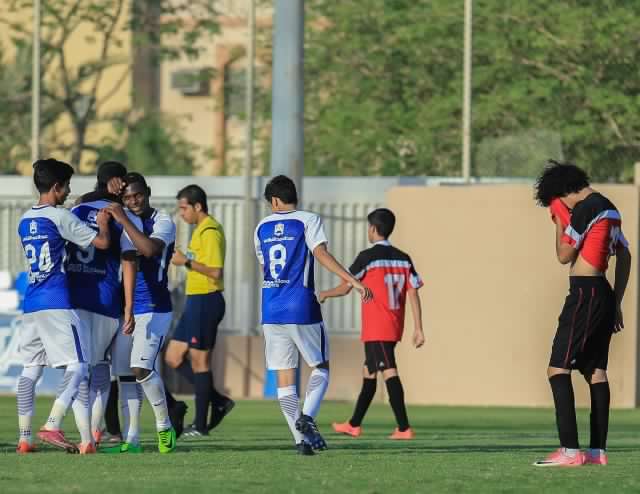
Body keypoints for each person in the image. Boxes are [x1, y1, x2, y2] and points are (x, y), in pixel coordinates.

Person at [254, 175, 372, 455]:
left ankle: (300, 440)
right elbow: (320, 254)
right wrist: (353, 281)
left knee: (285, 378)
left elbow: (266, 269)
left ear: (273, 201)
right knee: (320, 367)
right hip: (301, 304)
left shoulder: (261, 227)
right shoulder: (308, 219)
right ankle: (306, 417)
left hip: (271, 308)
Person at [533, 161, 631, 467]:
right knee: (595, 372)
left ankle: (570, 451)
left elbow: (564, 256)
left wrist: (559, 221)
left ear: (563, 192)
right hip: (602, 292)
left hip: (584, 293)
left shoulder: (587, 207)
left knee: (557, 369)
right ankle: (597, 452)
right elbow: (625, 254)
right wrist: (616, 301)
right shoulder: (610, 208)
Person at [16, 158, 110, 454]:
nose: (69, 192)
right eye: (67, 186)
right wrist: (104, 225)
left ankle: (25, 438)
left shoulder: (23, 219)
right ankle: (53, 423)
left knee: (30, 369)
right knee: (80, 365)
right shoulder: (60, 216)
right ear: (56, 187)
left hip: (31, 302)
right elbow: (102, 244)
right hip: (57, 300)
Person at [320, 208, 425, 439]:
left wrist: (325, 293)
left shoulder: (368, 257)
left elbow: (347, 286)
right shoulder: (403, 258)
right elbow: (413, 292)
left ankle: (404, 428)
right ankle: (354, 424)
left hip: (378, 326)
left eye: (369, 227)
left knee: (389, 370)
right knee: (369, 371)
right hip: (394, 324)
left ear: (373, 229)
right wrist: (418, 327)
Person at [104, 173, 177, 454]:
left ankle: (164, 426)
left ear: (147, 192)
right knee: (125, 376)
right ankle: (131, 439)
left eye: (138, 195)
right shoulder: (126, 219)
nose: (133, 201)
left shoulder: (163, 221)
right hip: (130, 309)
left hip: (156, 308)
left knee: (141, 368)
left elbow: (148, 249)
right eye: (127, 197)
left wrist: (122, 218)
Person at [65, 161, 137, 445]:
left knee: (83, 367)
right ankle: (91, 434)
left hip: (75, 297)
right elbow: (128, 261)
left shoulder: (76, 210)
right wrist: (129, 306)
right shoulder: (119, 214)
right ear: (116, 182)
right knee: (99, 368)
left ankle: (87, 435)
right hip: (106, 300)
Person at [165, 184, 234, 438]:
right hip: (194, 301)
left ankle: (200, 425)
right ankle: (219, 400)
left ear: (197, 206)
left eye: (184, 208)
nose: (181, 214)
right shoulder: (197, 231)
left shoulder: (210, 231)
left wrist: (187, 262)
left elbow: (216, 271)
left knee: (199, 362)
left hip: (207, 300)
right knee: (172, 357)